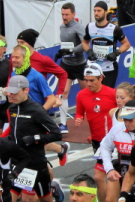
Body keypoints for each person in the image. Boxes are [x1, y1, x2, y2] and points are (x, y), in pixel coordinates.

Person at [4, 75, 67, 202]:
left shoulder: (36, 110)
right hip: (17, 164)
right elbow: (13, 132)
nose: (11, 95)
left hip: (35, 165)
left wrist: (35, 138)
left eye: (15, 92)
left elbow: (56, 133)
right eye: (9, 92)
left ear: (26, 90)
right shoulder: (12, 108)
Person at [75, 64, 116, 202]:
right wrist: (78, 118)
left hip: (114, 141)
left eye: (92, 80)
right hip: (97, 141)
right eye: (86, 80)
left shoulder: (112, 94)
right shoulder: (81, 95)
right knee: (100, 177)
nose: (88, 84)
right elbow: (79, 112)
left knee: (108, 175)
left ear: (101, 78)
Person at [83, 1, 131, 88]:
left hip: (109, 68)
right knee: (94, 93)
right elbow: (84, 42)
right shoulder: (90, 27)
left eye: (99, 11)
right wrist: (89, 50)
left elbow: (126, 44)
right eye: (95, 11)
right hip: (94, 68)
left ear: (106, 12)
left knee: (106, 94)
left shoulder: (114, 29)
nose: (96, 13)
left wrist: (116, 53)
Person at [14, 29, 69, 105]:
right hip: (18, 102)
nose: (19, 45)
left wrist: (59, 95)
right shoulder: (15, 59)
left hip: (38, 105)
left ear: (30, 43)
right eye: (18, 42)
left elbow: (63, 74)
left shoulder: (42, 60)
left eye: (22, 42)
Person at [57, 3, 87, 134]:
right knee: (64, 92)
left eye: (67, 15)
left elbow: (85, 44)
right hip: (66, 64)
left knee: (86, 93)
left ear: (73, 14)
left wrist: (71, 50)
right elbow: (65, 44)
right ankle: (63, 124)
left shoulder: (78, 27)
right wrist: (61, 52)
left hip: (79, 64)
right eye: (62, 14)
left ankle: (90, 117)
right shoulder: (61, 27)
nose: (64, 17)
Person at [10, 45, 56, 110]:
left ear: (25, 58)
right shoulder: (13, 74)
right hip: (19, 113)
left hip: (34, 113)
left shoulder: (37, 76)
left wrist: (39, 113)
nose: (13, 60)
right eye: (13, 57)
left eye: (17, 57)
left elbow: (52, 99)